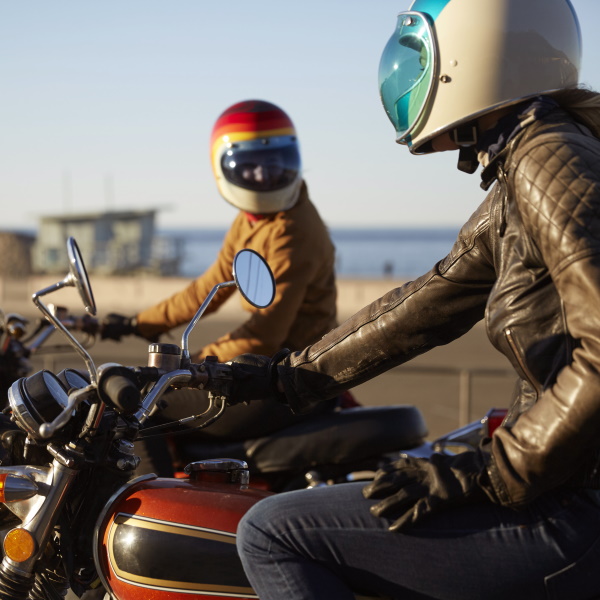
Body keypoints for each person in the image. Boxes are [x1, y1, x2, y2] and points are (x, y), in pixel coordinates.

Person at [228, 0, 600, 598]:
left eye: (420, 55)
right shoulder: (536, 156)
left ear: (474, 53)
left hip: (572, 511)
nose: (407, 76)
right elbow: (426, 303)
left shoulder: (545, 159)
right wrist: (286, 380)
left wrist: (492, 471)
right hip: (565, 487)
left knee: (272, 531)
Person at [100, 100, 339, 470]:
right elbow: (209, 288)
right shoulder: (254, 220)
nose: (262, 175)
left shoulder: (292, 230)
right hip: (270, 371)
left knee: (141, 412)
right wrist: (139, 322)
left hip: (289, 380)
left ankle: (159, 514)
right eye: (249, 166)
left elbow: (262, 334)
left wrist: (189, 367)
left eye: (274, 162)